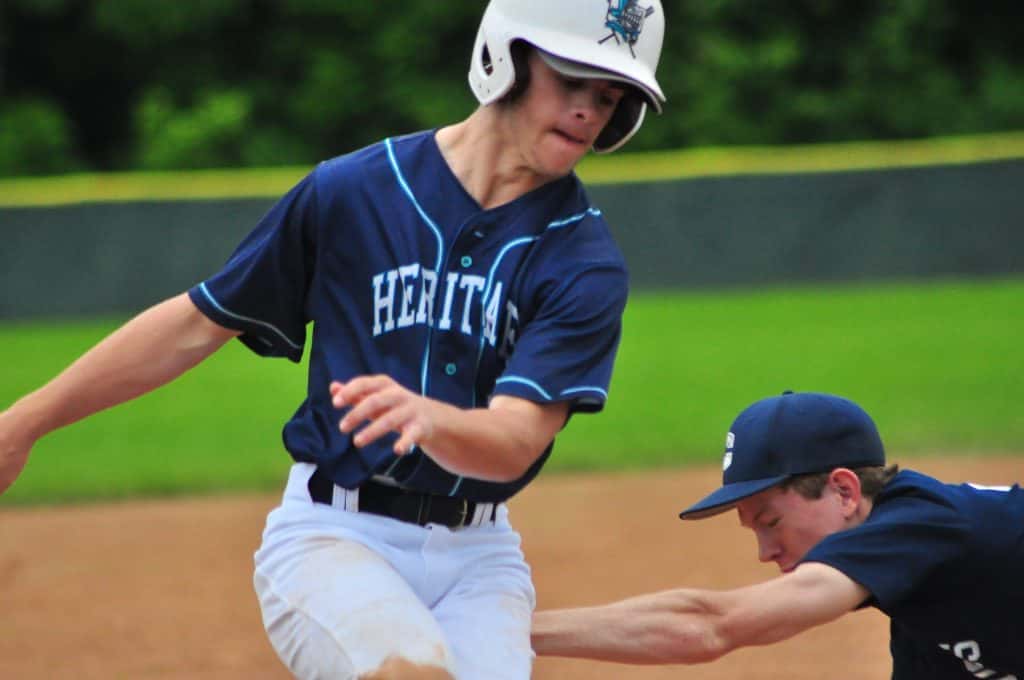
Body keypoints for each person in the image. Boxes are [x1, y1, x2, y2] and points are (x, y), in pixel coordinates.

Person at [0, 1, 667, 678]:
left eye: (610, 97)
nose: (588, 111)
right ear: (509, 59)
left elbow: (517, 439)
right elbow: (198, 322)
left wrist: (433, 420)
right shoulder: (355, 191)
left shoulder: (583, 260)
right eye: (570, 78)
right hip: (335, 533)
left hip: (481, 561)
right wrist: (23, 423)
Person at [532, 391, 1024, 678]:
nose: (766, 553)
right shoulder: (926, 592)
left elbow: (711, 626)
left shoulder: (923, 529)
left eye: (771, 522)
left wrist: (516, 629)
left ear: (844, 491)